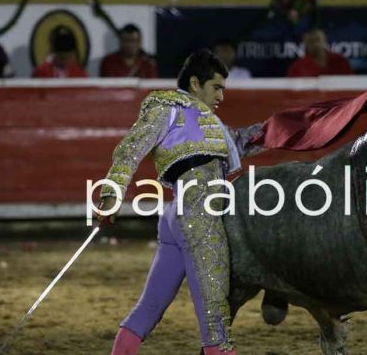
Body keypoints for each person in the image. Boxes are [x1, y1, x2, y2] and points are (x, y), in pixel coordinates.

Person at [98, 49, 264, 355]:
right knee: (215, 323)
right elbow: (129, 149)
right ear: (195, 83)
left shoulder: (210, 123)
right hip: (200, 213)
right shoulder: (167, 109)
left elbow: (241, 142)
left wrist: (283, 128)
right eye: (217, 87)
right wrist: (111, 193)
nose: (221, 97)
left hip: (176, 216)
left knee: (149, 307)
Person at [287, 28, 353, 77]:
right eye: (311, 42)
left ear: (324, 41)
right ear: (306, 45)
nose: (315, 44)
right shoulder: (297, 67)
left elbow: (352, 81)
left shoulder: (340, 60)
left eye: (318, 40)